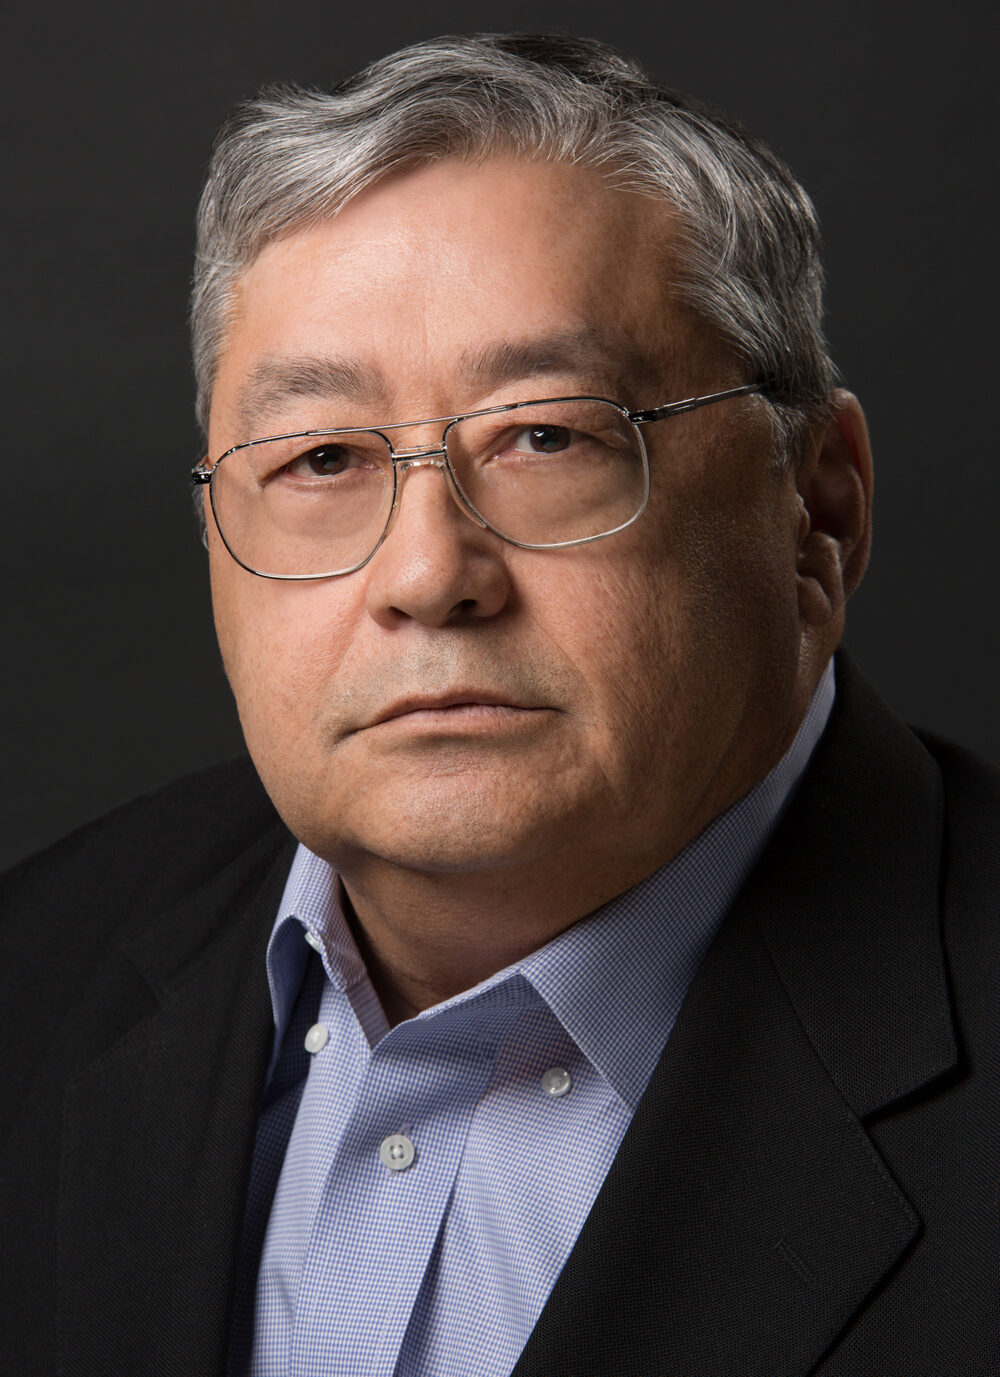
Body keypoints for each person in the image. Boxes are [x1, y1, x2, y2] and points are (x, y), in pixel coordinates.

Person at [1, 31, 996, 1377]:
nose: (427, 574)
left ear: (816, 508)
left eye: (548, 436)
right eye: (322, 457)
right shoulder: (36, 976)